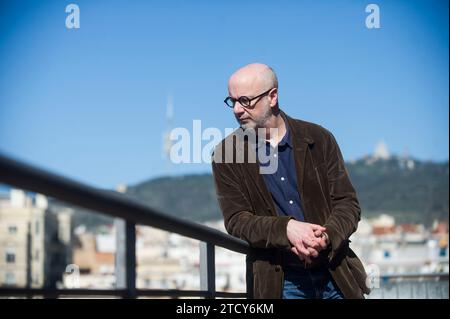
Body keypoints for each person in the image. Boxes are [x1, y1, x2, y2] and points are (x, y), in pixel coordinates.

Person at [211, 63, 370, 299]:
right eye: (231, 101)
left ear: (272, 96)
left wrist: (325, 237)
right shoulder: (226, 154)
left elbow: (347, 203)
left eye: (245, 100)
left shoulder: (319, 138)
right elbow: (236, 220)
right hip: (281, 283)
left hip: (335, 274)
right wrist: (286, 229)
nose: (236, 109)